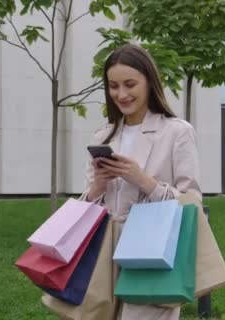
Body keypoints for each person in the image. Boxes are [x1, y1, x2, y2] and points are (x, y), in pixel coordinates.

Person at [82, 43, 201, 319]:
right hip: (104, 255)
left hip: (151, 251)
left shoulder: (177, 133)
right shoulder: (103, 137)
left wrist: (144, 181)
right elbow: (88, 206)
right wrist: (97, 186)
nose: (121, 94)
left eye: (129, 84)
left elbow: (192, 203)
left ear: (149, 81)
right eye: (113, 86)